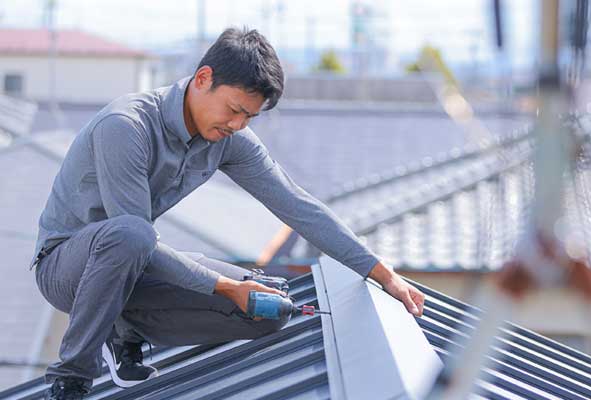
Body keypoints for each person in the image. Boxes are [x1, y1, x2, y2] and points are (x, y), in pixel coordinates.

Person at [32, 27, 425, 399]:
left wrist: (382, 273)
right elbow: (135, 239)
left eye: (249, 117)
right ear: (203, 78)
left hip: (136, 265)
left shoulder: (228, 138)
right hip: (68, 268)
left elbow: (298, 206)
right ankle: (70, 382)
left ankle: (124, 330)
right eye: (234, 109)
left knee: (270, 310)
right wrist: (226, 286)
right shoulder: (126, 127)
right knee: (134, 235)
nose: (237, 124)